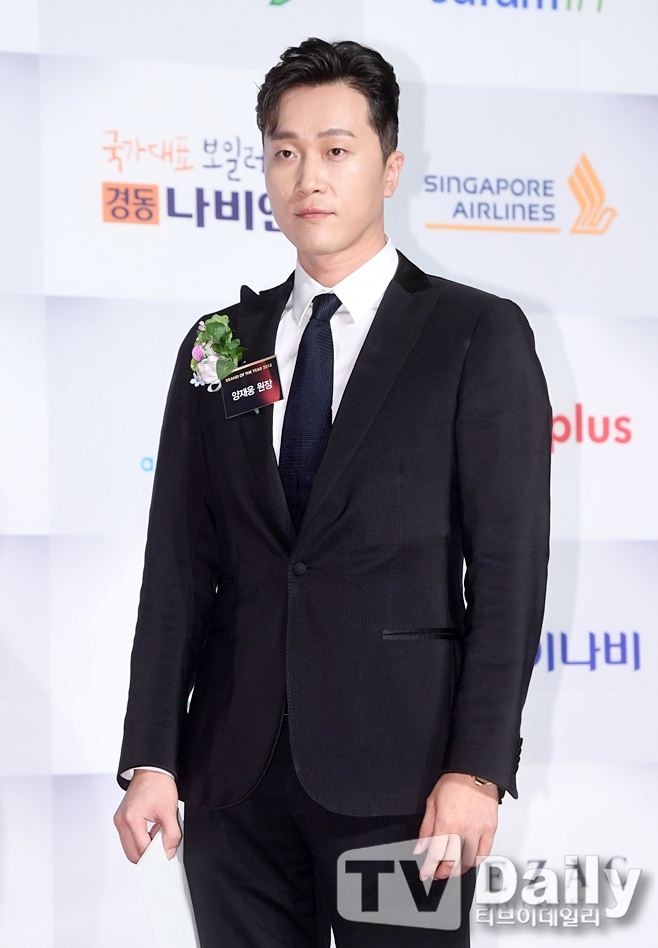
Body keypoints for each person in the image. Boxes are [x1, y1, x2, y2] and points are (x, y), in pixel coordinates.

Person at [114, 38, 551, 948]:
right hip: (233, 780)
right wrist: (152, 753)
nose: (308, 175)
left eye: (337, 149)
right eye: (285, 150)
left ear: (390, 167)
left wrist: (476, 770)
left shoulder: (475, 334)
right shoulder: (219, 343)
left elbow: (508, 573)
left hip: (406, 781)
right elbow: (177, 568)